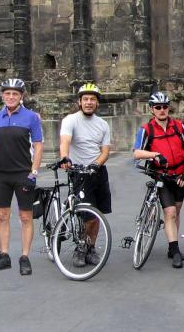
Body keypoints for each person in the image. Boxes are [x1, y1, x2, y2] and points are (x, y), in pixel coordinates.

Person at [0, 79, 44, 275]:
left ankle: (24, 257)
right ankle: (4, 255)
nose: (11, 97)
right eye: (7, 93)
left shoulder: (31, 117)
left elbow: (38, 145)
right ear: (3, 96)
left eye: (15, 94)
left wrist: (33, 173)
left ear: (21, 97)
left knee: (25, 216)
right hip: (1, 174)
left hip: (23, 174)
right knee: (2, 215)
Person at [133, 92, 184, 268]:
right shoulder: (147, 130)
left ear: (169, 108)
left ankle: (171, 244)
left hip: (180, 174)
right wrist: (155, 154)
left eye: (165, 107)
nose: (162, 110)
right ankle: (175, 250)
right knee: (170, 212)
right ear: (152, 109)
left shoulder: (178, 126)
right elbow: (137, 153)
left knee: (177, 210)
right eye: (158, 107)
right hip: (162, 176)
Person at [59, 83, 112, 268]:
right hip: (79, 172)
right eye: (86, 99)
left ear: (97, 103)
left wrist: (96, 165)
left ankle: (91, 248)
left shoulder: (103, 124)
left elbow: (105, 151)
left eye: (92, 99)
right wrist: (65, 158)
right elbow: (65, 141)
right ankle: (80, 248)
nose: (89, 102)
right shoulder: (70, 120)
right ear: (80, 102)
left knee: (97, 214)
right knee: (88, 216)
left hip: (97, 171)